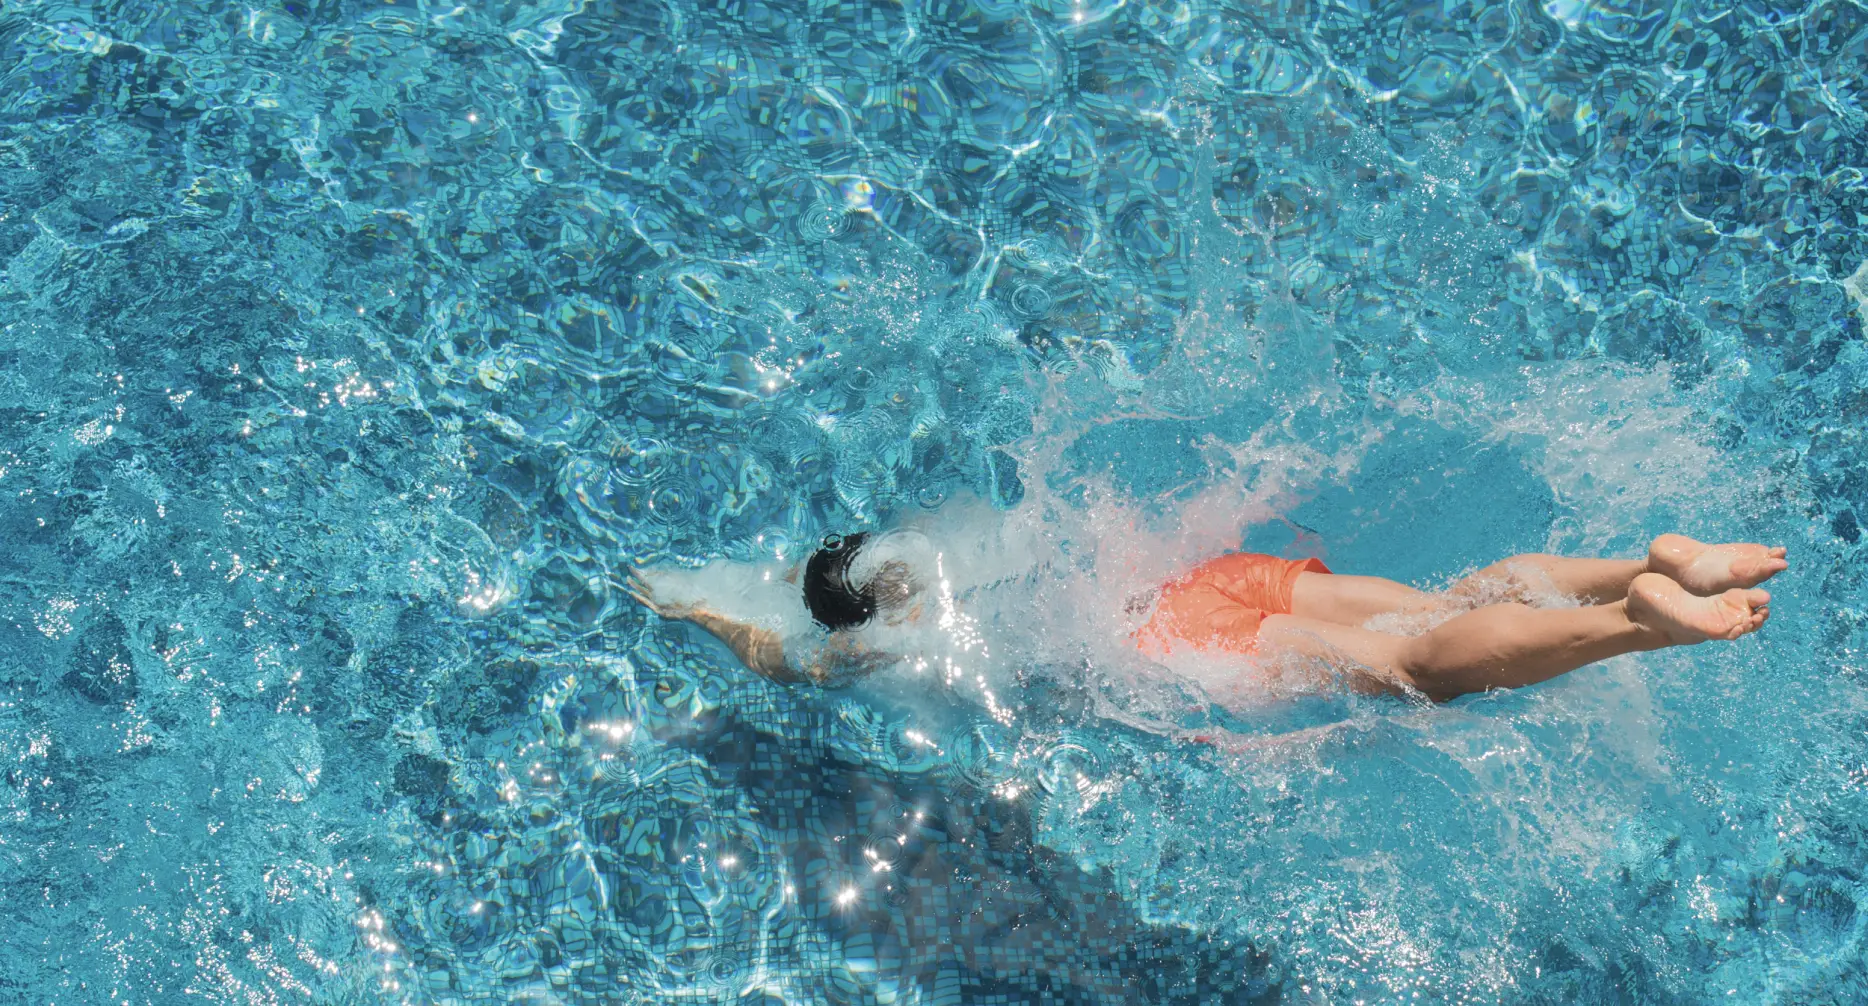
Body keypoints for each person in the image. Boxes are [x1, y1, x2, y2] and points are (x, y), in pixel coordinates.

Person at [626, 532, 1784, 702]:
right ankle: (1647, 555)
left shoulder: (887, 645)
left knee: (1418, 668)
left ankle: (1642, 618)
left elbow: (786, 658)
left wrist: (690, 608)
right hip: (1199, 580)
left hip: (1169, 646)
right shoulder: (959, 549)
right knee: (1444, 597)